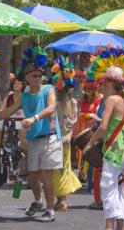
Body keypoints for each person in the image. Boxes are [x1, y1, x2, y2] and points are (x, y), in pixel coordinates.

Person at [0, 47, 61, 222]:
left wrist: (33, 118)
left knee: (46, 175)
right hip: (34, 140)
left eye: (40, 75)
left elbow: (51, 107)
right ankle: (38, 201)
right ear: (27, 78)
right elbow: (7, 112)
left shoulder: (49, 89)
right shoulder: (24, 96)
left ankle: (50, 210)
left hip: (49, 138)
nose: (38, 78)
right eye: (34, 75)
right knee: (32, 176)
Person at [85, 66, 124, 230]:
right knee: (119, 188)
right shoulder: (122, 100)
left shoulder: (111, 99)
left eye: (103, 81)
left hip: (113, 151)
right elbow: (113, 124)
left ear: (108, 83)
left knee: (107, 188)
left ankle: (108, 226)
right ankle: (120, 227)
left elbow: (104, 127)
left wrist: (90, 142)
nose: (101, 85)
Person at [51, 57, 82, 211]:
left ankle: (62, 200)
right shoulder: (53, 100)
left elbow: (71, 121)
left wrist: (66, 136)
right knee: (56, 169)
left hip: (63, 140)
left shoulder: (72, 103)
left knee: (62, 169)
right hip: (54, 139)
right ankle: (59, 199)